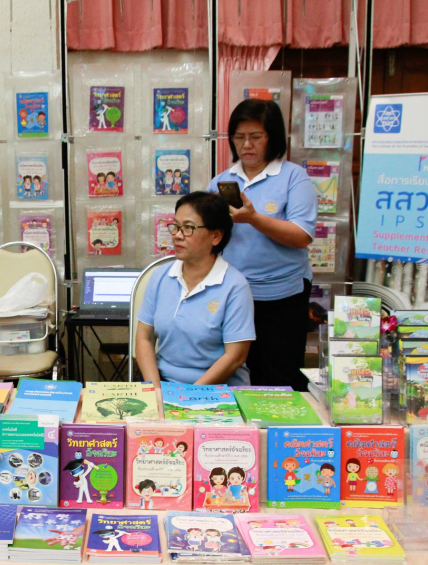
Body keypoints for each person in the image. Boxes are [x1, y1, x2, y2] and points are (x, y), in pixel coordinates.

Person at [206, 99, 318, 390]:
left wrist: (253, 218)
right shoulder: (222, 182)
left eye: (256, 136)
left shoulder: (294, 177)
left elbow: (301, 235)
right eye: (239, 137)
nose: (246, 145)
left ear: (273, 137)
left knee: (278, 378)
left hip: (283, 296)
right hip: (233, 295)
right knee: (234, 373)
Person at [135, 192, 256, 386]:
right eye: (176, 226)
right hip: (164, 383)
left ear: (215, 236)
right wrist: (154, 389)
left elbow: (235, 357)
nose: (177, 235)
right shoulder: (160, 277)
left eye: (188, 228)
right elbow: (144, 338)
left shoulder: (235, 286)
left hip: (217, 388)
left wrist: (189, 395)